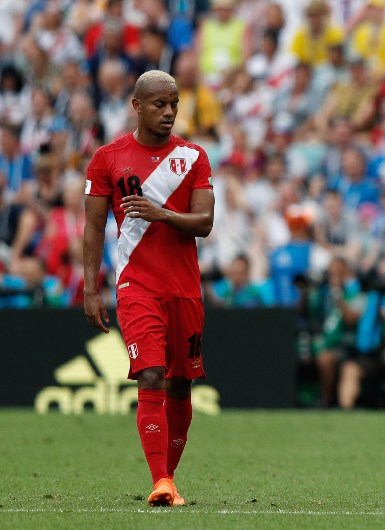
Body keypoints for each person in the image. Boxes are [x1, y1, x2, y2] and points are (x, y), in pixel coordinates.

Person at [83, 70, 214, 507]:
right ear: (137, 106)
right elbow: (93, 226)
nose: (170, 112)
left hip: (185, 291)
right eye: (160, 104)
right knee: (151, 375)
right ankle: (160, 481)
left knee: (180, 386)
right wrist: (89, 288)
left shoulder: (194, 157)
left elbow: (205, 223)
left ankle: (168, 478)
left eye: (174, 104)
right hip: (136, 286)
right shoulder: (108, 158)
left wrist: (162, 214)